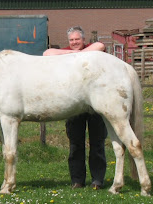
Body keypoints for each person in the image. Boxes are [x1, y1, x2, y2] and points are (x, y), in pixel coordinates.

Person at [43, 26, 107, 190]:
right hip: (74, 104)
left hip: (96, 104)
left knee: (97, 143)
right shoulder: (67, 51)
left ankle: (97, 180)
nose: (74, 42)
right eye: (71, 40)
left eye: (77, 39)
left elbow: (100, 46)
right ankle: (77, 181)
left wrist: (75, 54)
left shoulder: (93, 49)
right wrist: (71, 54)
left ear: (84, 40)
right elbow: (47, 54)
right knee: (75, 144)